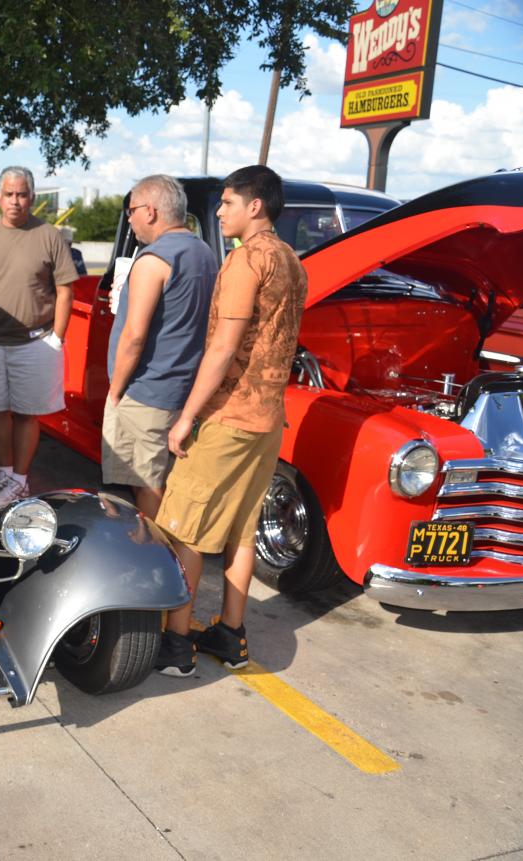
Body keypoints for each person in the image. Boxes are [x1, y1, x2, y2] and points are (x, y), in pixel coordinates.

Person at [152, 165, 307, 677]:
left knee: (184, 531)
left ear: (254, 206)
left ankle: (177, 645)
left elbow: (222, 348)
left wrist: (187, 417)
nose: (219, 212)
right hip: (268, 419)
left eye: (227, 203)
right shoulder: (292, 261)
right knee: (241, 530)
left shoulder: (245, 261)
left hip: (230, 416)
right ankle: (231, 634)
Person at [0, 166, 79, 508]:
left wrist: (57, 338)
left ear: (32, 198)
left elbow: (65, 290)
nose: (15, 201)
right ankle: (6, 474)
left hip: (35, 343)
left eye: (22, 194)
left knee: (26, 414)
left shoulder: (49, 235)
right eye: (9, 194)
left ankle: (21, 481)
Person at [104, 175, 217, 519]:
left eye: (132, 211)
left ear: (151, 211)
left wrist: (116, 391)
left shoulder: (153, 260)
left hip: (146, 391)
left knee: (146, 482)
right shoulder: (205, 253)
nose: (130, 219)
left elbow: (134, 336)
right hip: (183, 388)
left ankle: (153, 547)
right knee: (166, 479)